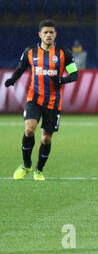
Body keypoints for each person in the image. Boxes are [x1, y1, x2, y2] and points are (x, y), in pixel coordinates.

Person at [4, 20, 79, 181]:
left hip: (53, 102)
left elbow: (74, 75)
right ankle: (26, 165)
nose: (49, 35)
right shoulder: (30, 52)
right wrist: (13, 79)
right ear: (40, 35)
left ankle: (39, 169)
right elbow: (21, 67)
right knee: (29, 129)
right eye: (45, 32)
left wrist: (62, 80)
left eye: (51, 32)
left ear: (55, 34)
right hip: (34, 99)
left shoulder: (63, 53)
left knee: (46, 138)